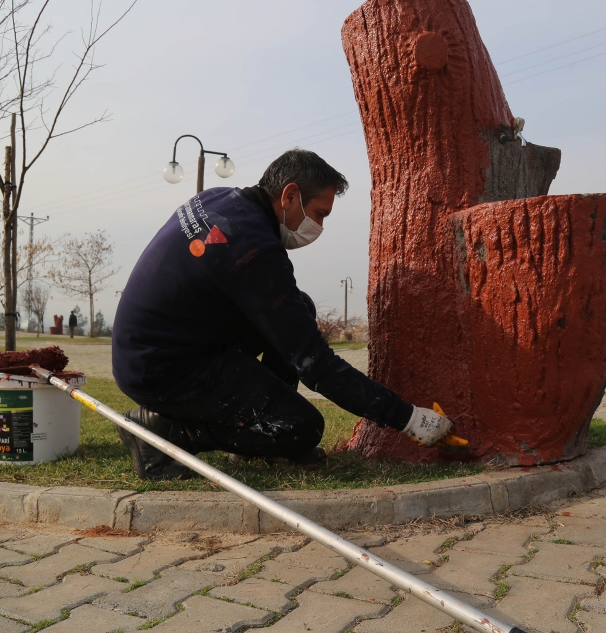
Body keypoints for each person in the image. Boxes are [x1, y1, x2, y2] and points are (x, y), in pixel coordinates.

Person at [111, 149, 452, 480]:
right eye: (320, 214)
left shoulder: (220, 199)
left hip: (154, 347)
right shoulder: (252, 248)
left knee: (299, 306)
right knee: (301, 428)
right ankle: (166, 433)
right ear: (290, 195)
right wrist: (408, 419)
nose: (319, 226)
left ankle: (253, 435)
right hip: (161, 371)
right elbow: (315, 364)